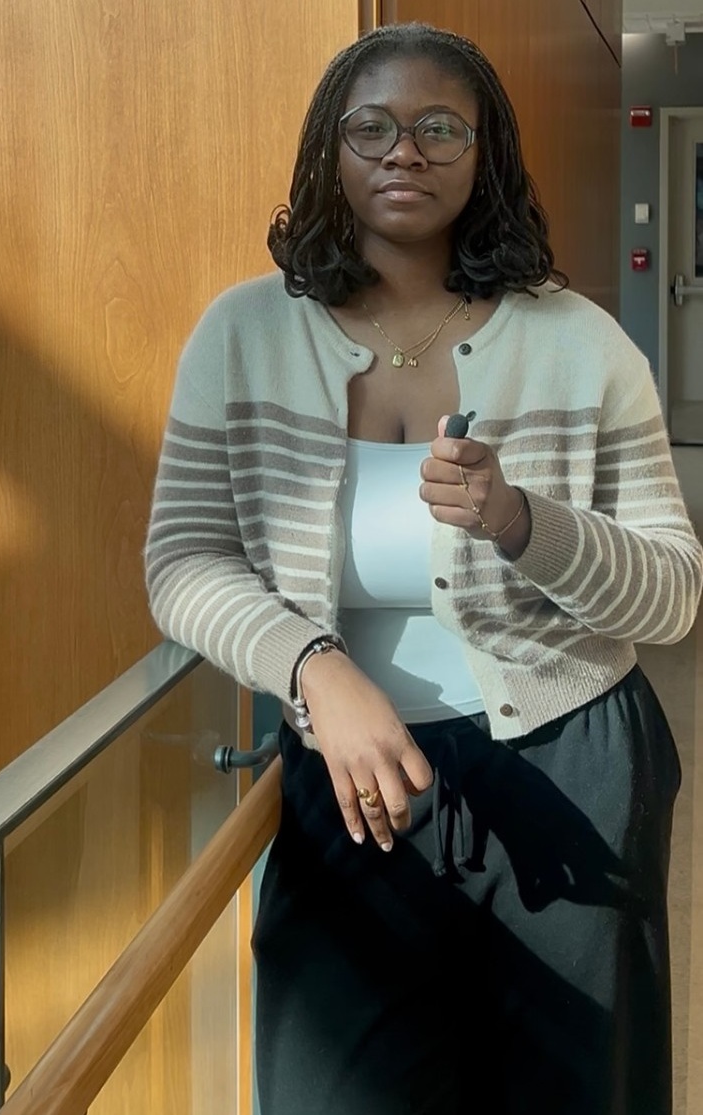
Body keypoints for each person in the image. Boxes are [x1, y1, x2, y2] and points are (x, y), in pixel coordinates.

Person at [145, 22, 702, 1115]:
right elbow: (182, 557)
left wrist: (518, 518)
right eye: (373, 127)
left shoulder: (581, 343)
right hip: (352, 779)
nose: (405, 150)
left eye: (440, 126)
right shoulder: (242, 332)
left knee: (575, 1087)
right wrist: (314, 668)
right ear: (328, 152)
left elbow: (673, 592)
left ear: (484, 151)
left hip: (573, 767)